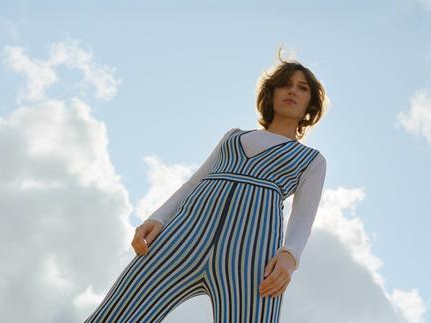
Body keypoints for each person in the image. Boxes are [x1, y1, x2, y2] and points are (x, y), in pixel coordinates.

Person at [84, 49, 328, 323]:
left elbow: (303, 217)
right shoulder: (233, 138)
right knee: (118, 314)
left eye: (302, 88)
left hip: (251, 256)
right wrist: (158, 218)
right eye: (285, 84)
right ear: (271, 93)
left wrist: (289, 257)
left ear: (310, 105)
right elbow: (195, 182)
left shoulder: (311, 160)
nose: (292, 91)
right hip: (182, 237)